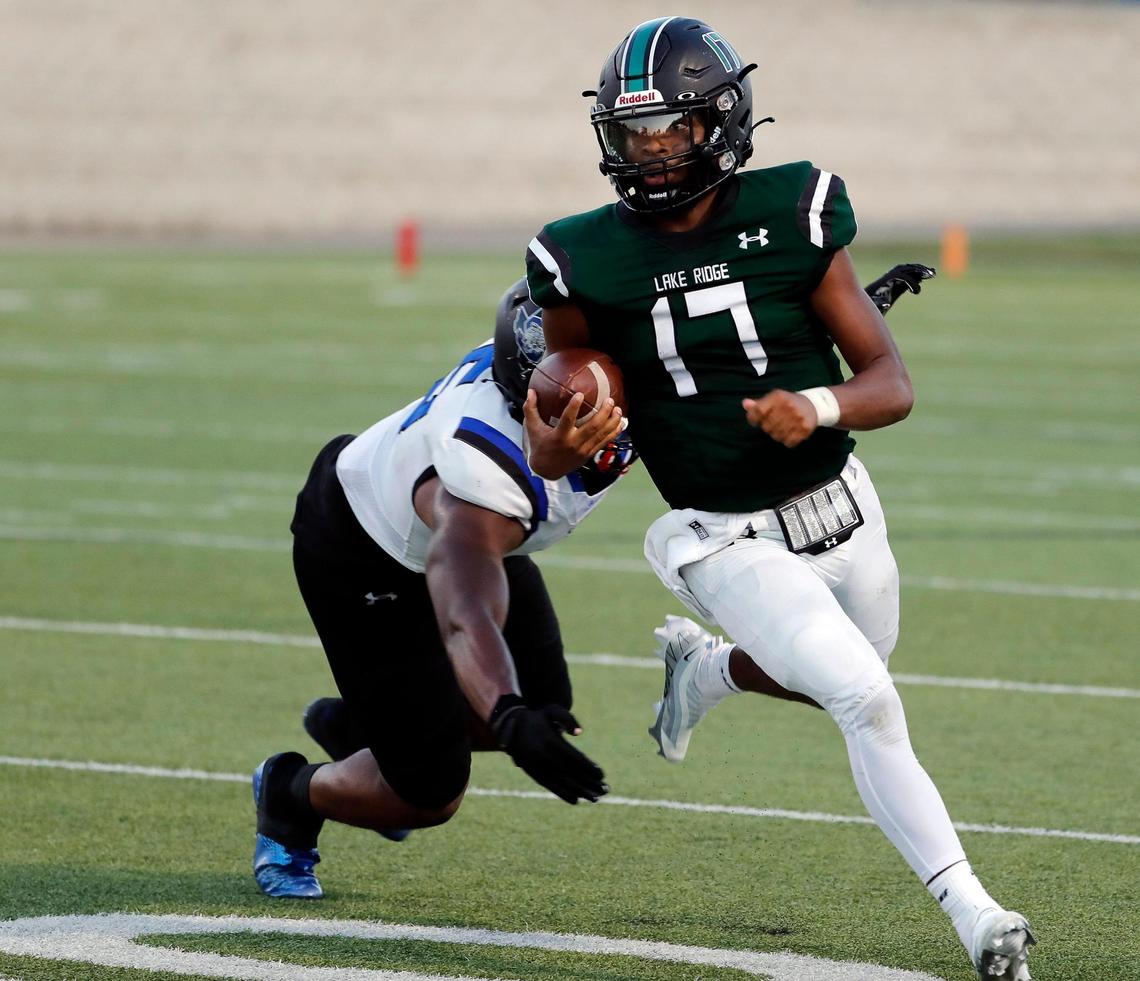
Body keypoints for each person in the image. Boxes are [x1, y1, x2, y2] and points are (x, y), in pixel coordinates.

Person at [521, 16, 1033, 981]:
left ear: (722, 121)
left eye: (673, 128)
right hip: (720, 535)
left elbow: (890, 380)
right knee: (865, 697)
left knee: (844, 667)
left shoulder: (796, 206)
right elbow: (554, 431)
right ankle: (977, 914)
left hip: (842, 505)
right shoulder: (580, 254)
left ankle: (706, 674)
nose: (655, 151)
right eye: (636, 134)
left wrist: (817, 401)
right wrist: (562, 433)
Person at [251, 280, 627, 900]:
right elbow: (466, 610)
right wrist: (504, 712)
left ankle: (363, 726)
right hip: (364, 550)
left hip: (472, 542)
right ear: (528, 396)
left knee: (545, 704)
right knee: (428, 792)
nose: (595, 410)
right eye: (568, 394)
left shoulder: (613, 373)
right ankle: (290, 792)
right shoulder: (481, 466)